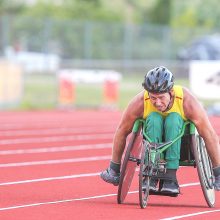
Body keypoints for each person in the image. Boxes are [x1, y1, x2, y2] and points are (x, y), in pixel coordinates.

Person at [100, 66, 220, 194]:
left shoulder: (187, 101)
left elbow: (209, 134)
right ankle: (151, 175)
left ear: (171, 92)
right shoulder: (141, 101)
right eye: (153, 97)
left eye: (161, 97)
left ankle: (170, 177)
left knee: (173, 119)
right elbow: (121, 131)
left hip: (182, 145)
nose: (157, 102)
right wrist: (114, 168)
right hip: (152, 140)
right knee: (154, 117)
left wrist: (218, 172)